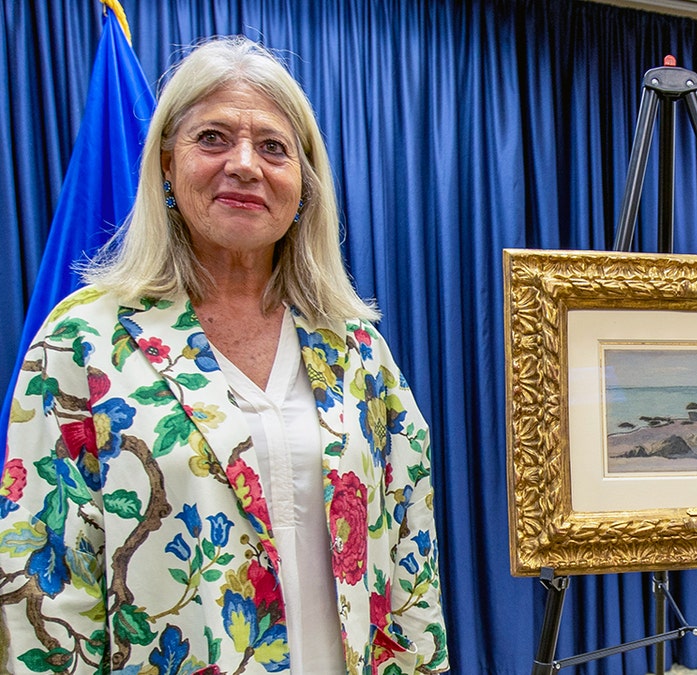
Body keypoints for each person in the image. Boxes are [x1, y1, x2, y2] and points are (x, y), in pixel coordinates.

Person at [0, 37, 446, 674]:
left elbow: (412, 563)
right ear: (165, 164)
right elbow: (45, 595)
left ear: (304, 185)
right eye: (213, 138)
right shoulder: (80, 344)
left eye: (273, 147)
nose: (245, 165)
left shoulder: (357, 349)